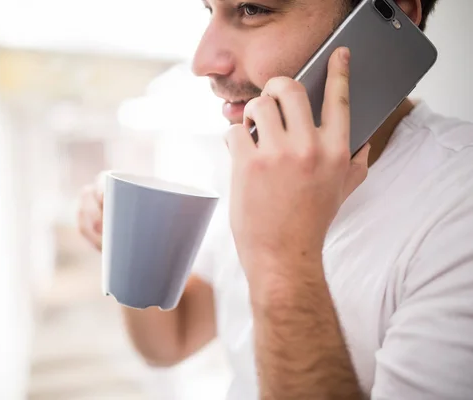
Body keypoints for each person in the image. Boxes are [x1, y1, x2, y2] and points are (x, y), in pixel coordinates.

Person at [77, 0, 473, 398]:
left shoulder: (459, 204)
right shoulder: (264, 155)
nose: (202, 61)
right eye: (208, 10)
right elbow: (172, 341)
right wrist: (128, 244)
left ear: (395, 11)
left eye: (253, 9)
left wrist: (281, 255)